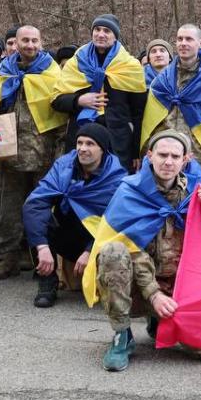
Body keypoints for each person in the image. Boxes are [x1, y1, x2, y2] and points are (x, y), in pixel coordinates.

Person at [96, 131, 201, 371]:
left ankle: (158, 323)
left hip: (177, 286)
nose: (168, 162)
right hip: (140, 288)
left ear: (186, 159)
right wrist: (153, 294)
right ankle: (122, 336)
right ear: (150, 155)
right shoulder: (130, 191)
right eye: (162, 155)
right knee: (113, 252)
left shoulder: (198, 193)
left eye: (175, 156)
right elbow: (130, 250)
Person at [0, 26, 64, 280]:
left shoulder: (54, 73)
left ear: (41, 42)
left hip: (44, 154)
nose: (30, 45)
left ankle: (40, 258)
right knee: (8, 208)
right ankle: (8, 258)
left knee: (41, 208)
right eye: (25, 40)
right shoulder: (1, 72)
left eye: (34, 40)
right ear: (15, 44)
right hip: (9, 153)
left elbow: (62, 114)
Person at [22, 122, 126, 308]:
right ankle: (47, 282)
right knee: (38, 218)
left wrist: (89, 251)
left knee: (117, 235)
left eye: (90, 144)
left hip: (97, 238)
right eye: (79, 142)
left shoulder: (116, 178)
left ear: (103, 149)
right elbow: (35, 203)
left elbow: (118, 223)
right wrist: (41, 246)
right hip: (67, 231)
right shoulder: (63, 166)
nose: (82, 149)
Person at [52, 14, 147, 169]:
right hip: (81, 140)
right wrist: (78, 100)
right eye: (97, 29)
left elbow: (138, 113)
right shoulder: (76, 63)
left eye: (107, 31)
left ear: (115, 37)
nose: (101, 34)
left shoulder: (130, 67)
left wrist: (136, 152)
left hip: (118, 142)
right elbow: (56, 100)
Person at [140, 24, 201, 180]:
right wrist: (145, 155)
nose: (183, 43)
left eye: (189, 39)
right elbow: (151, 122)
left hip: (198, 159)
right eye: (180, 39)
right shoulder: (162, 81)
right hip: (164, 158)